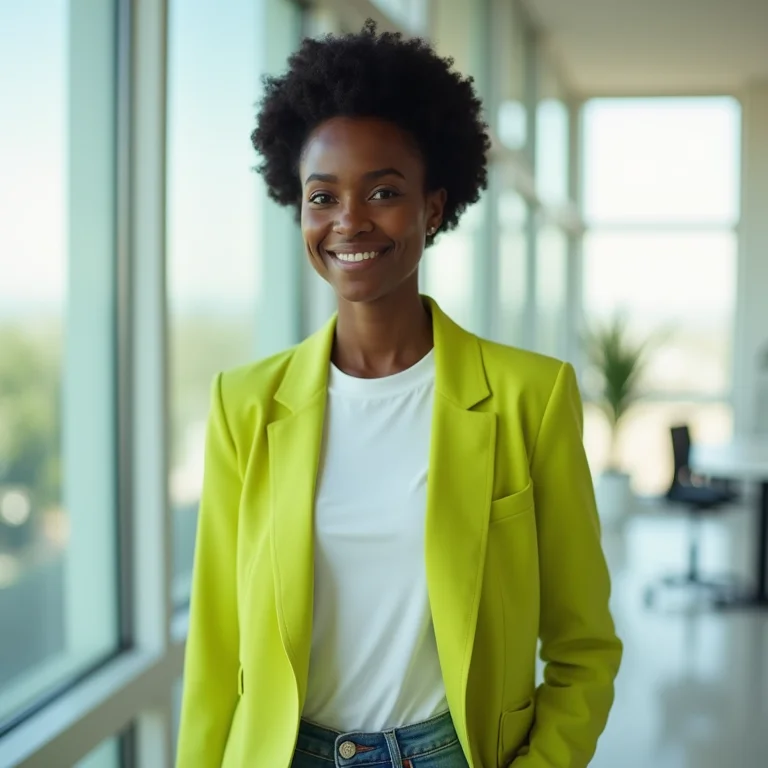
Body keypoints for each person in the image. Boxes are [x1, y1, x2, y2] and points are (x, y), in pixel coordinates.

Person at [176, 20, 621, 768]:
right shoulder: (244, 405)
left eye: (383, 191)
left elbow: (584, 647)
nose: (349, 220)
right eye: (323, 197)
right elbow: (217, 653)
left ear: (434, 208)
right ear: (299, 209)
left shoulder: (529, 398)